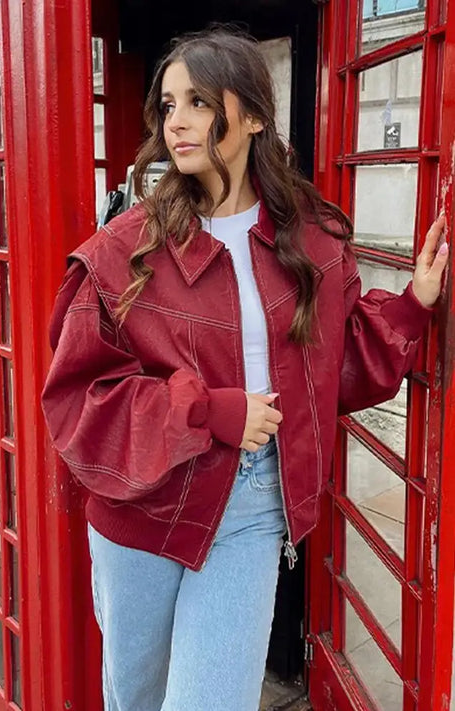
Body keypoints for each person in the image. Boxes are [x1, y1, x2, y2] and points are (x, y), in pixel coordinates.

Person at [41, 28, 449, 711]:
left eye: (198, 100)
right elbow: (78, 400)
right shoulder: (122, 250)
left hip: (252, 505)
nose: (177, 120)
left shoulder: (312, 236)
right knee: (135, 700)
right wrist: (211, 410)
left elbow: (333, 369)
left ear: (254, 115)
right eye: (168, 103)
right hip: (141, 507)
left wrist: (413, 306)